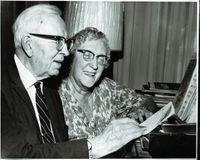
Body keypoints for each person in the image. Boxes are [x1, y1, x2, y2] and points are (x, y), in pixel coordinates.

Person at [1, 4, 146, 158]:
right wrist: (96, 145)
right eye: (58, 41)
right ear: (29, 45)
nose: (65, 51)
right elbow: (17, 156)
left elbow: (58, 150)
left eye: (65, 42)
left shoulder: (48, 89)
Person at [59, 27, 157, 141]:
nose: (95, 65)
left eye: (101, 58)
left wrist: (141, 111)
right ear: (72, 55)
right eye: (87, 55)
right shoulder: (53, 96)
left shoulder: (108, 89)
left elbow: (147, 101)